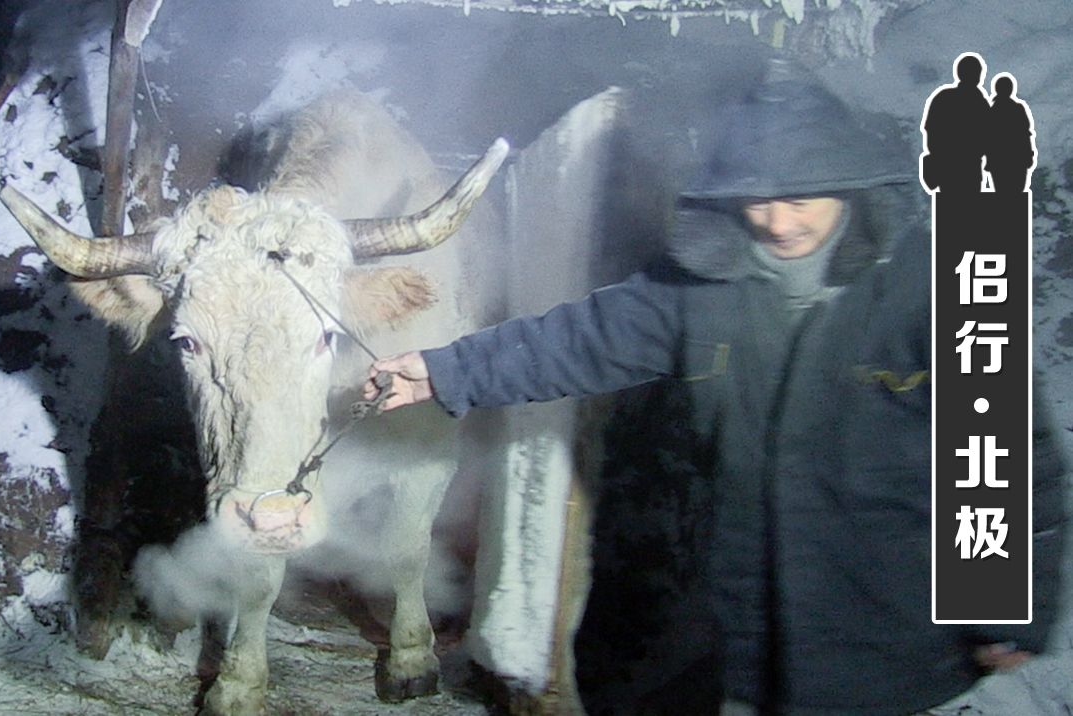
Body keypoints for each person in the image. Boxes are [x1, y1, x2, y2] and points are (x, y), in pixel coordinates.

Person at [365, 58, 1068, 715]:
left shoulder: (935, 285)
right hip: (742, 628)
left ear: (847, 183)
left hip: (878, 626)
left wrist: (1007, 603)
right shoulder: (703, 286)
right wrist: (444, 369)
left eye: (799, 198)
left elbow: (1004, 451)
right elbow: (582, 339)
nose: (778, 222)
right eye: (756, 202)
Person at [921, 53, 991, 193]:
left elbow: (931, 130)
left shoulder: (944, 97)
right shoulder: (978, 101)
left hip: (955, 164)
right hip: (962, 164)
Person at [986, 73, 1036, 193]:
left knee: (1003, 194)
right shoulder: (1018, 109)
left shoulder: (991, 112)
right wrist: (1028, 155)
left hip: (999, 161)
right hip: (1017, 160)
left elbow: (987, 139)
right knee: (1016, 194)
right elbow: (1025, 134)